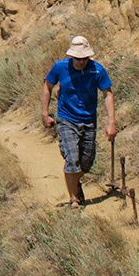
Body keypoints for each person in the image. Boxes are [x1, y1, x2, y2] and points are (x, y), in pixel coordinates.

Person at [41, 35, 116, 208]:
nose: (81, 62)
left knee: (87, 161)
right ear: (71, 56)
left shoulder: (97, 70)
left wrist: (111, 122)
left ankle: (75, 182)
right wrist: (45, 113)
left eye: (84, 58)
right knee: (72, 159)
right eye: (77, 58)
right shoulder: (60, 67)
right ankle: (74, 198)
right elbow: (47, 86)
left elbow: (107, 94)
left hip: (89, 120)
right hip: (67, 119)